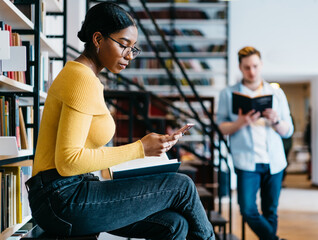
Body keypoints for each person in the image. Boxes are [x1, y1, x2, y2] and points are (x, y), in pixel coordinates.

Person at [25, 3, 215, 240]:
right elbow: (69, 162)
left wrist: (145, 153)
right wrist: (139, 149)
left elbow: (80, 156)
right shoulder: (81, 79)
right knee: (182, 186)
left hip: (70, 190)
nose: (129, 55)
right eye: (124, 45)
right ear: (97, 39)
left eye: (133, 49)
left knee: (174, 225)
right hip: (62, 198)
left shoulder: (84, 76)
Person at [216, 46, 294, 240]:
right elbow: (221, 127)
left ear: (261, 65)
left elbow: (288, 130)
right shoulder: (228, 94)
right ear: (240, 68)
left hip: (274, 161)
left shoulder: (276, 94)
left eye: (255, 66)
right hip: (246, 161)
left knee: (270, 211)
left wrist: (275, 120)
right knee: (248, 209)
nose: (252, 71)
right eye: (247, 67)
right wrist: (240, 122)